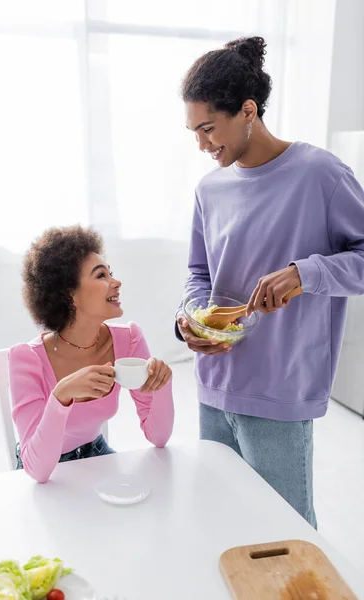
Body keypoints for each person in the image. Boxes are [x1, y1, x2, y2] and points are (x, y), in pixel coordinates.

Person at [176, 36, 364, 528]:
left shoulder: (319, 174)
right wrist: (188, 318)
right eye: (194, 132)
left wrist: (308, 273)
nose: (202, 144)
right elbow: (200, 274)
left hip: (280, 391)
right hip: (214, 387)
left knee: (288, 534)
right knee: (222, 526)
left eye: (208, 128)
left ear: (247, 111)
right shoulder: (209, 189)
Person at [9, 225, 174, 483]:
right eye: (101, 276)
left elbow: (159, 437)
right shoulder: (26, 359)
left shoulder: (128, 339)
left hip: (98, 456)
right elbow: (37, 470)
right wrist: (61, 395)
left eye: (111, 273)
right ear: (69, 294)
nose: (116, 283)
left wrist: (162, 384)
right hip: (45, 471)